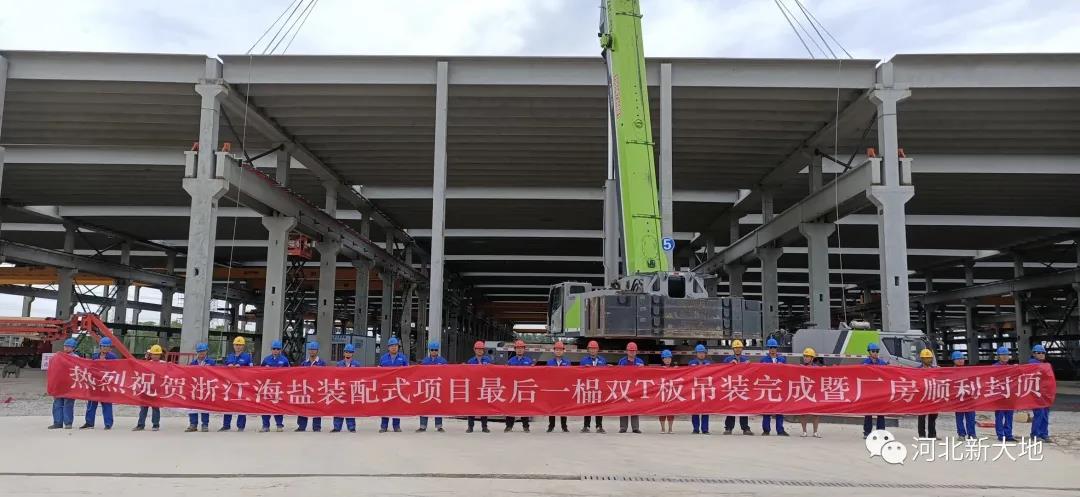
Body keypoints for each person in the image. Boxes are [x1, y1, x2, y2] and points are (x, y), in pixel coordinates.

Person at [80, 337, 118, 430]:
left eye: (107, 346)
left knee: (106, 404)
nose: (104, 348)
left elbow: (116, 370)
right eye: (103, 346)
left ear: (110, 348)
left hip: (106, 384)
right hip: (95, 384)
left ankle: (108, 423)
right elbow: (91, 368)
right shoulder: (95, 356)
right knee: (91, 404)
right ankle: (89, 423)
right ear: (100, 346)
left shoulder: (113, 357)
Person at [220, 336, 253, 432]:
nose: (238, 346)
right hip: (230, 384)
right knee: (228, 404)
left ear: (243, 346)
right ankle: (226, 425)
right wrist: (228, 365)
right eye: (236, 345)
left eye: (240, 345)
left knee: (242, 405)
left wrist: (241, 367)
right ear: (233, 345)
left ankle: (241, 426)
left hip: (242, 385)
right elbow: (224, 367)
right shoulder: (229, 356)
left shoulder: (247, 356)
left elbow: (251, 369)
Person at [294, 341, 326, 432]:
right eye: (310, 349)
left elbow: (325, 376)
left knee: (317, 407)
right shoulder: (304, 363)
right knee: (303, 406)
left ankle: (316, 427)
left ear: (317, 351)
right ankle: (301, 426)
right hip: (306, 389)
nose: (312, 351)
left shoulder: (322, 363)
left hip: (317, 389)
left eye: (314, 349)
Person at [48, 338, 80, 430]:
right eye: (65, 346)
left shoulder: (76, 358)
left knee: (68, 403)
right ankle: (57, 423)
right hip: (59, 384)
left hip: (70, 384)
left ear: (73, 348)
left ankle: (68, 423)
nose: (66, 348)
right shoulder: (58, 356)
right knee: (57, 403)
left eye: (68, 346)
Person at [259, 340, 290, 432]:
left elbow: (289, 372)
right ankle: (265, 426)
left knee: (278, 406)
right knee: (265, 406)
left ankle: (279, 425)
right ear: (271, 349)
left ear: (280, 350)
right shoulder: (266, 359)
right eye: (274, 349)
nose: (275, 350)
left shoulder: (284, 360)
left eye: (277, 349)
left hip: (279, 387)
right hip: (268, 386)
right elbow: (260, 371)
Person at [759, 338, 788, 436]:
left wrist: (782, 366)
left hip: (779, 388)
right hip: (768, 387)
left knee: (780, 409)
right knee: (767, 409)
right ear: (768, 349)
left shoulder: (782, 360)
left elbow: (787, 372)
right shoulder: (763, 360)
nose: (772, 350)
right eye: (771, 347)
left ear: (777, 349)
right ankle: (766, 430)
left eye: (774, 348)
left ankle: (780, 430)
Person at [379, 337, 409, 433]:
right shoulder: (383, 358)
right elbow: (378, 371)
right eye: (391, 346)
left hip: (398, 386)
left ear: (398, 347)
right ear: (388, 347)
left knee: (397, 406)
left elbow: (408, 371)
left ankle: (396, 426)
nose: (394, 347)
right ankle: (384, 426)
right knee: (385, 406)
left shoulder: (403, 358)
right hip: (386, 386)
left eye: (395, 345)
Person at [723, 339, 753, 435]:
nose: (737, 349)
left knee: (743, 408)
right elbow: (722, 371)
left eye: (739, 348)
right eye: (736, 348)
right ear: (733, 349)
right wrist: (729, 365)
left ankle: (745, 428)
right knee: (731, 407)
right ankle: (728, 428)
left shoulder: (746, 360)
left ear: (742, 349)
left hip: (742, 386)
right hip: (731, 386)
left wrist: (749, 365)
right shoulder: (727, 359)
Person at [417, 341, 448, 433]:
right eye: (432, 350)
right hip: (427, 387)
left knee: (438, 406)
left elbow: (447, 373)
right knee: (424, 405)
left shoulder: (443, 361)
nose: (434, 351)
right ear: (429, 350)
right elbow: (420, 374)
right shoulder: (425, 361)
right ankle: (423, 426)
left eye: (436, 350)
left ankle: (439, 426)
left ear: (438, 350)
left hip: (438, 387)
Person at [185, 342, 216, 432]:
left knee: (205, 406)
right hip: (195, 387)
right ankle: (193, 424)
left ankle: (205, 424)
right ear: (197, 352)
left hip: (206, 387)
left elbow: (216, 374)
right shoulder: (192, 363)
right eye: (200, 351)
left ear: (206, 351)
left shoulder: (211, 362)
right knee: (192, 406)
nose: (201, 353)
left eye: (203, 351)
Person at [134, 345, 165, 431]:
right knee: (143, 408)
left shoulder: (164, 364)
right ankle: (140, 425)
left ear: (160, 355)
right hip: (146, 388)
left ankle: (155, 425)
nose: (155, 356)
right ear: (150, 355)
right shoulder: (147, 363)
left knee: (155, 408)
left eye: (157, 354)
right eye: (154, 354)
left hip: (156, 390)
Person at [332, 343, 362, 433]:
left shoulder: (357, 364)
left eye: (350, 352)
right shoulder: (339, 364)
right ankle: (337, 427)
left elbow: (360, 376)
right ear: (344, 353)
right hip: (341, 389)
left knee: (350, 408)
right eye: (347, 352)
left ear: (353, 353)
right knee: (338, 407)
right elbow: (335, 376)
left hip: (351, 390)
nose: (348, 354)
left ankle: (351, 427)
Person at [505, 340, 534, 432]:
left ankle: (526, 426)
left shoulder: (529, 361)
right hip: (513, 387)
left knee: (524, 407)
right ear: (515, 349)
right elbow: (505, 373)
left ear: (524, 349)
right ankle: (509, 426)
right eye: (518, 348)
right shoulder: (510, 361)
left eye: (521, 348)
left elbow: (533, 374)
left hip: (524, 387)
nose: (519, 350)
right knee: (511, 406)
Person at [862, 342, 888, 438]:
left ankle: (881, 432)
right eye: (873, 351)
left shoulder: (882, 363)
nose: (875, 353)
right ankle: (867, 432)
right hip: (869, 392)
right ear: (869, 352)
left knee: (880, 413)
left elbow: (890, 372)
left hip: (880, 392)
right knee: (868, 413)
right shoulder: (864, 364)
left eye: (877, 351)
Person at [465, 340, 492, 433]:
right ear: (474, 350)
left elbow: (492, 372)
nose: (480, 350)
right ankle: (470, 427)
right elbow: (467, 373)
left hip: (484, 387)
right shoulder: (470, 361)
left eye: (481, 349)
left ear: (483, 350)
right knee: (471, 407)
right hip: (473, 387)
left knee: (484, 407)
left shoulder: (488, 360)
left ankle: (484, 427)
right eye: (478, 349)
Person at [580, 340, 607, 433]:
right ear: (588, 350)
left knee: (599, 406)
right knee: (588, 406)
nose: (592, 350)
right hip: (588, 387)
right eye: (591, 348)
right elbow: (579, 373)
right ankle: (586, 426)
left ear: (597, 349)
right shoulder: (584, 360)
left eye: (594, 348)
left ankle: (599, 426)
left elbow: (605, 373)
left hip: (599, 387)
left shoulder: (602, 360)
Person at [618, 342, 645, 433]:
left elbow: (644, 375)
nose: (632, 352)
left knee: (635, 406)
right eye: (630, 350)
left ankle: (635, 427)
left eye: (633, 350)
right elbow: (618, 373)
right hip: (625, 386)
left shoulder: (640, 361)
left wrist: (642, 368)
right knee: (623, 406)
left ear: (636, 351)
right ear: (627, 351)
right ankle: (623, 427)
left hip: (636, 387)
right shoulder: (622, 361)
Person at [547, 341, 571, 433]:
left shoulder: (567, 362)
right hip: (552, 388)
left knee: (563, 408)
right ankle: (551, 426)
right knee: (551, 408)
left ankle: (564, 426)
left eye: (560, 350)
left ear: (563, 351)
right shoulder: (549, 362)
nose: (558, 351)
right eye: (557, 350)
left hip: (563, 388)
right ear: (554, 351)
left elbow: (570, 374)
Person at [951, 351, 976, 439]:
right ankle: (961, 434)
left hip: (969, 397)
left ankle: (971, 434)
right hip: (958, 397)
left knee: (971, 417)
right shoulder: (951, 371)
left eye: (962, 359)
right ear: (954, 360)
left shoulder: (968, 370)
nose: (961, 360)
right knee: (959, 417)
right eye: (958, 359)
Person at [915, 348, 939, 439]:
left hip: (932, 396)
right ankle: (922, 434)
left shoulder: (935, 370)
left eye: (930, 358)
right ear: (922, 359)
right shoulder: (917, 370)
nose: (929, 360)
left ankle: (932, 434)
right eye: (926, 358)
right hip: (922, 396)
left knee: (933, 416)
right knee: (921, 416)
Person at [687, 344, 711, 434]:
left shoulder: (709, 363)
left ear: (705, 354)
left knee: (705, 410)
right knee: (695, 409)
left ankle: (705, 429)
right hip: (695, 389)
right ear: (696, 353)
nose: (701, 354)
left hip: (705, 388)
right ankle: (696, 428)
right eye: (699, 352)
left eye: (703, 353)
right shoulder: (691, 363)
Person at [1029, 344, 1050, 442]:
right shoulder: (1032, 365)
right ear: (1033, 354)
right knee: (1039, 413)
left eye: (1043, 353)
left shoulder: (1044, 365)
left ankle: (1044, 434)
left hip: (1044, 394)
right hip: (1036, 394)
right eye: (1039, 353)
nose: (1041, 354)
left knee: (1045, 414)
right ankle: (1035, 434)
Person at [799, 348, 821, 438]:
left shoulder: (817, 368)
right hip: (804, 392)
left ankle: (815, 432)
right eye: (804, 356)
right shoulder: (799, 367)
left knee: (816, 414)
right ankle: (804, 431)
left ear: (812, 358)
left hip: (814, 393)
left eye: (808, 356)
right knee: (803, 413)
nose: (805, 358)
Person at [658, 349, 676, 434]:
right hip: (662, 392)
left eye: (669, 358)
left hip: (672, 392)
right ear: (663, 359)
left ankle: (670, 428)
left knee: (671, 410)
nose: (668, 360)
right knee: (662, 410)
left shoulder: (675, 369)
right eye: (666, 358)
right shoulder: (658, 369)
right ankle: (662, 428)